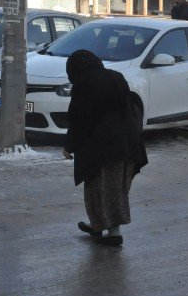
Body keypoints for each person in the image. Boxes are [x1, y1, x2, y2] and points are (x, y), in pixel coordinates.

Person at [63, 50, 148, 246]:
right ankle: (98, 226)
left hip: (102, 148)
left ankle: (112, 233)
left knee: (101, 188)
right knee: (115, 188)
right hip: (128, 144)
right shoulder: (116, 76)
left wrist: (69, 145)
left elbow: (79, 119)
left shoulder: (84, 84)